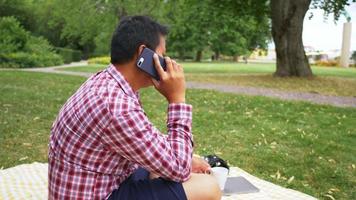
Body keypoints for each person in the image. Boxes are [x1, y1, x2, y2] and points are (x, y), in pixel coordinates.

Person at [48, 15, 221, 200]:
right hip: (100, 194)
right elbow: (179, 169)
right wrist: (177, 99)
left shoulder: (106, 82)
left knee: (162, 169)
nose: (165, 62)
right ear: (143, 55)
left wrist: (187, 160)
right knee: (208, 187)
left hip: (102, 183)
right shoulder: (117, 107)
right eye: (161, 55)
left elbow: (143, 139)